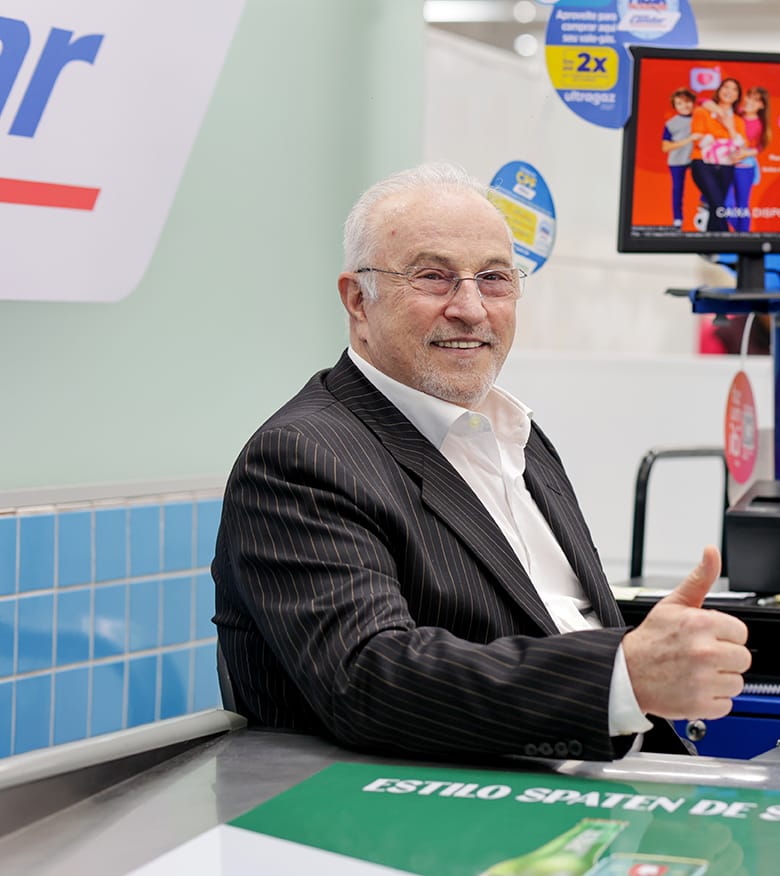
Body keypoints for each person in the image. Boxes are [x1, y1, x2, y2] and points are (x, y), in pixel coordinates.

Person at [211, 162, 751, 762]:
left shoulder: (514, 434)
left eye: (494, 278)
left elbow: (552, 619)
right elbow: (369, 677)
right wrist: (621, 678)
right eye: (434, 278)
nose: (471, 308)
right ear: (357, 300)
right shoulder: (301, 458)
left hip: (592, 790)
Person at [689, 78, 746, 232]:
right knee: (718, 204)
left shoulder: (738, 121)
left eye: (734, 89)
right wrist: (723, 141)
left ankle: (710, 247)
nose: (729, 91)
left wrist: (729, 126)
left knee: (716, 208)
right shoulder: (702, 111)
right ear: (719, 90)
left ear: (737, 96)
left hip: (726, 166)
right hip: (703, 163)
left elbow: (740, 145)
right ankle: (727, 241)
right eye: (726, 87)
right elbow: (699, 139)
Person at [726, 86, 769, 232]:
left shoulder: (759, 124)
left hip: (744, 168)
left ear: (761, 105)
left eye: (755, 100)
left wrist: (746, 154)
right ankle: (741, 234)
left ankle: (743, 237)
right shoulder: (735, 115)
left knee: (742, 206)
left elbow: (760, 147)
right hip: (726, 164)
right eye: (749, 97)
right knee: (724, 204)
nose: (750, 101)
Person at [661, 87, 697, 228]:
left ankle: (706, 213)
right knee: (677, 190)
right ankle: (677, 219)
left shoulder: (699, 118)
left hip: (695, 159)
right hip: (677, 160)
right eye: (679, 103)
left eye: (687, 102)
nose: (684, 106)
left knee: (708, 184)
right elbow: (665, 147)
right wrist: (688, 140)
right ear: (675, 106)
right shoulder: (671, 124)